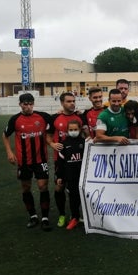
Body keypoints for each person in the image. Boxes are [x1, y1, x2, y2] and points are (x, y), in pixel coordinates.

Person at [2, 93, 53, 231]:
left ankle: (45, 218)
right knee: (26, 187)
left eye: (31, 104)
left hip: (40, 159)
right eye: (25, 104)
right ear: (20, 104)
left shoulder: (43, 116)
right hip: (24, 162)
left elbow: (56, 120)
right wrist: (9, 152)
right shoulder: (15, 119)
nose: (28, 107)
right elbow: (5, 135)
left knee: (43, 186)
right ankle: (33, 216)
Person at [46, 92, 86, 228]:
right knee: (59, 187)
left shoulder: (80, 117)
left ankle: (76, 215)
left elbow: (86, 134)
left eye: (73, 101)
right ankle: (62, 214)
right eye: (69, 101)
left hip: (78, 160)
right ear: (62, 103)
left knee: (77, 188)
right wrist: (52, 144)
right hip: (61, 159)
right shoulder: (55, 118)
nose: (72, 103)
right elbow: (48, 136)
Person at [54, 119, 85, 230]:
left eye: (75, 129)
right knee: (73, 197)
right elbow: (60, 163)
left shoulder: (85, 142)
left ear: (80, 129)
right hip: (70, 176)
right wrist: (60, 176)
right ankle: (75, 217)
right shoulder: (63, 144)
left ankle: (85, 216)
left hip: (83, 175)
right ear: (67, 130)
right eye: (71, 129)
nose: (73, 131)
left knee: (83, 196)